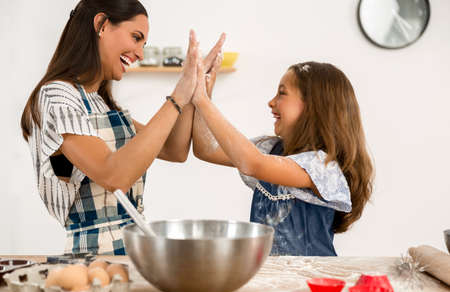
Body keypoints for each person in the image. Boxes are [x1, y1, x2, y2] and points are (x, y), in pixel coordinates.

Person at [20, 0, 225, 255]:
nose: (140, 53)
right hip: (93, 258)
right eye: (136, 37)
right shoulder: (57, 96)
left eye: (143, 44)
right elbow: (113, 176)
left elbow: (174, 150)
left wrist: (196, 90)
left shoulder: (102, 103)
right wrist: (177, 97)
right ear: (102, 25)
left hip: (134, 250)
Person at [192, 59, 374, 256]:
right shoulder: (271, 149)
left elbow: (252, 163)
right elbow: (206, 150)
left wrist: (201, 100)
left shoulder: (322, 166)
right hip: (270, 274)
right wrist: (204, 96)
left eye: (282, 93)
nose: (271, 102)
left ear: (313, 107)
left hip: (308, 279)